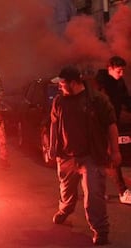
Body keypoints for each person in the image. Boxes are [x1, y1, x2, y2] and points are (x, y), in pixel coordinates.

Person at [48, 65, 121, 246]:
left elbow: (111, 125)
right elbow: (53, 125)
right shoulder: (59, 101)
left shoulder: (97, 100)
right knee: (67, 193)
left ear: (74, 83)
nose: (60, 87)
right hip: (66, 157)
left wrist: (115, 150)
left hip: (91, 157)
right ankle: (65, 210)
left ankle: (101, 231)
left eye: (63, 84)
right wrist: (52, 147)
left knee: (94, 196)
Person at [95, 55, 131, 205]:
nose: (121, 73)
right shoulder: (101, 84)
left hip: (112, 124)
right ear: (110, 69)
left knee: (103, 160)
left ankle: (97, 191)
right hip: (101, 126)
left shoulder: (119, 82)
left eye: (123, 70)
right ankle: (123, 191)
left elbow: (126, 100)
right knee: (113, 158)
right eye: (119, 70)